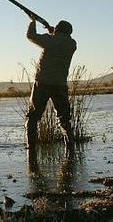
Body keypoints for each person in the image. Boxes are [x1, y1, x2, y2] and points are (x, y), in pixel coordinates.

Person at [25, 14, 77, 150]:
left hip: (42, 83)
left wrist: (32, 21)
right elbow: (61, 40)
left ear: (57, 30)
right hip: (60, 85)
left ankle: (31, 150)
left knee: (33, 117)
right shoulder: (72, 44)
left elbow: (31, 35)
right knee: (64, 119)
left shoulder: (50, 40)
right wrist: (53, 32)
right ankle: (70, 149)